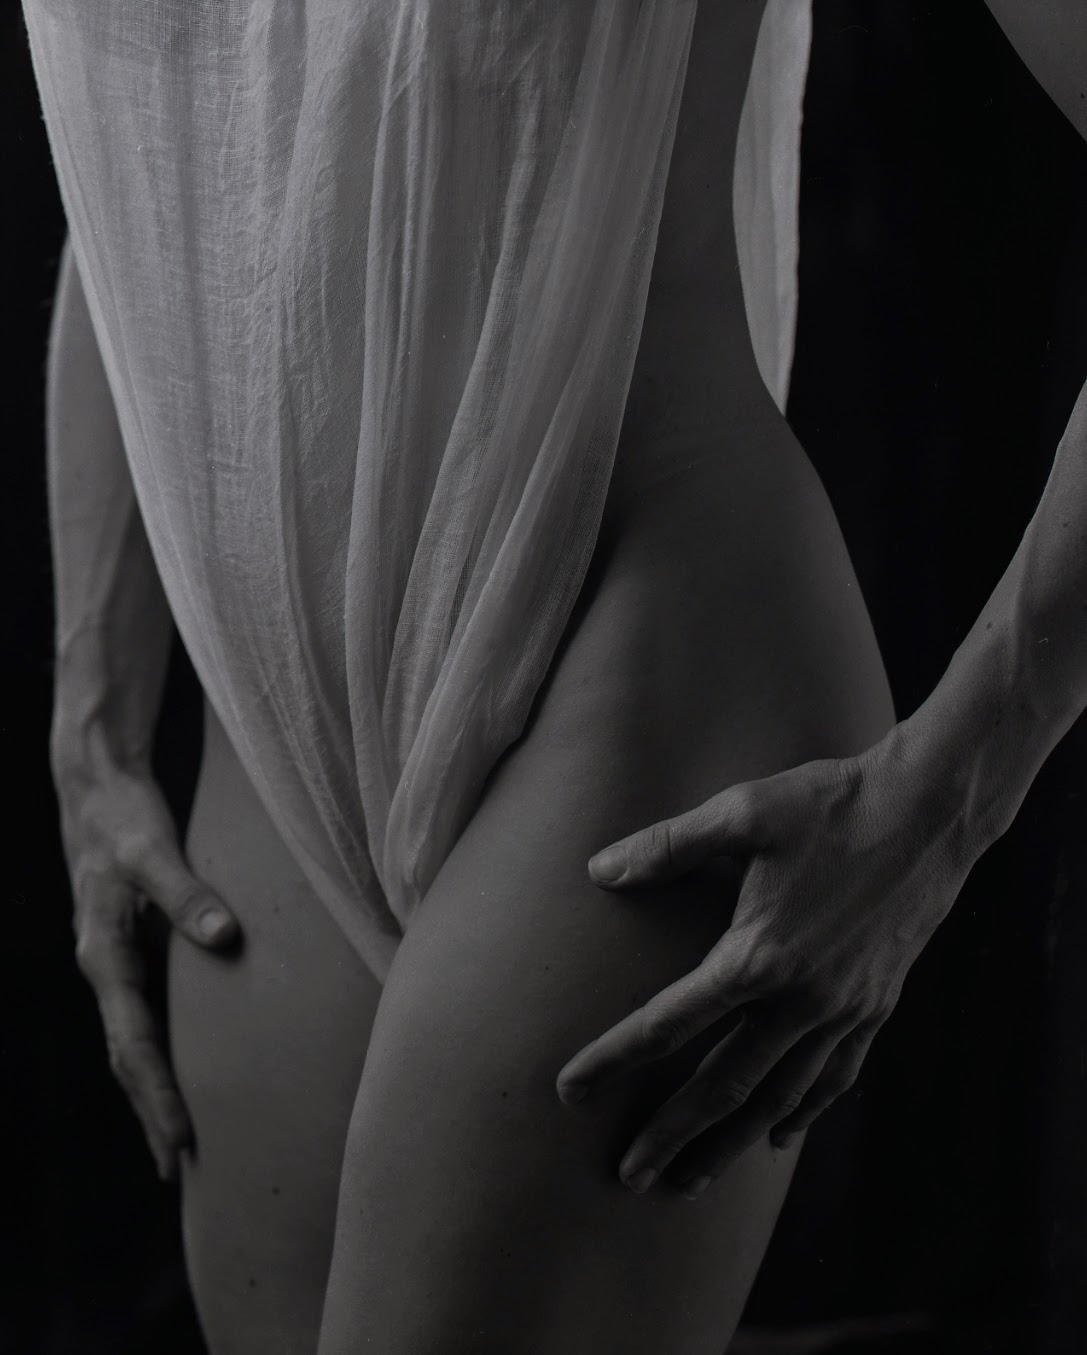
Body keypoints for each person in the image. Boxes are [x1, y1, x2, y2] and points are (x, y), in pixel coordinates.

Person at [31, 1, 1086, 1352]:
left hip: (640, 685)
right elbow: (164, 147)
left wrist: (948, 802)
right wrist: (95, 717)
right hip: (277, 749)